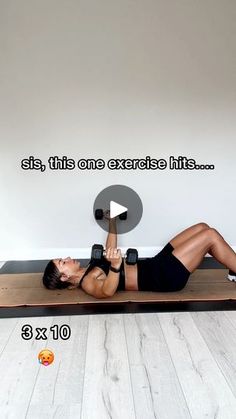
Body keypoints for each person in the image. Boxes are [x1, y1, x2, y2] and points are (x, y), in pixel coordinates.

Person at [42, 216, 236, 298]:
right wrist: (116, 267)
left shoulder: (89, 266)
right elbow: (106, 292)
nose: (67, 258)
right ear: (64, 277)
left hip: (156, 263)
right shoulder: (87, 283)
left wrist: (112, 222)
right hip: (165, 276)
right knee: (210, 236)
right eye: (62, 262)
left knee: (202, 227)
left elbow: (110, 249)